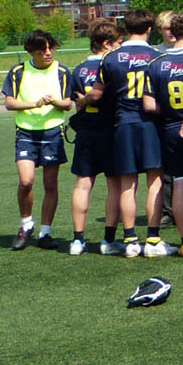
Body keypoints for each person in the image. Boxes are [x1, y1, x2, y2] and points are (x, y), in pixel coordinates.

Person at [99, 10, 163, 257]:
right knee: (154, 181)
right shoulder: (157, 56)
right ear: (149, 29)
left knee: (127, 184)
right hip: (150, 124)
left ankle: (130, 240)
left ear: (125, 29)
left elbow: (98, 93)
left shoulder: (110, 57)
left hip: (123, 124)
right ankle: (153, 239)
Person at [1, 29, 72, 251]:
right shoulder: (18, 71)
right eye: (42, 49)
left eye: (51, 48)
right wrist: (35, 103)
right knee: (26, 181)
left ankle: (45, 232)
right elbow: (9, 103)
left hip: (53, 133)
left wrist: (54, 102)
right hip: (26, 133)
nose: (48, 53)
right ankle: (26, 224)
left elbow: (68, 103)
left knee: (50, 185)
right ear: (31, 51)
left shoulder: (62, 71)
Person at [143, 14, 183, 257]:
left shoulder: (156, 63)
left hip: (171, 128)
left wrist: (170, 111)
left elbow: (149, 104)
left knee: (179, 183)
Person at [65, 20, 121, 255]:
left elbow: (77, 104)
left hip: (86, 131)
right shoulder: (112, 66)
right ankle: (108, 240)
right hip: (110, 130)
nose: (119, 47)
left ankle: (77, 240)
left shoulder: (78, 69)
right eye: (117, 43)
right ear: (106, 44)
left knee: (83, 183)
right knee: (115, 185)